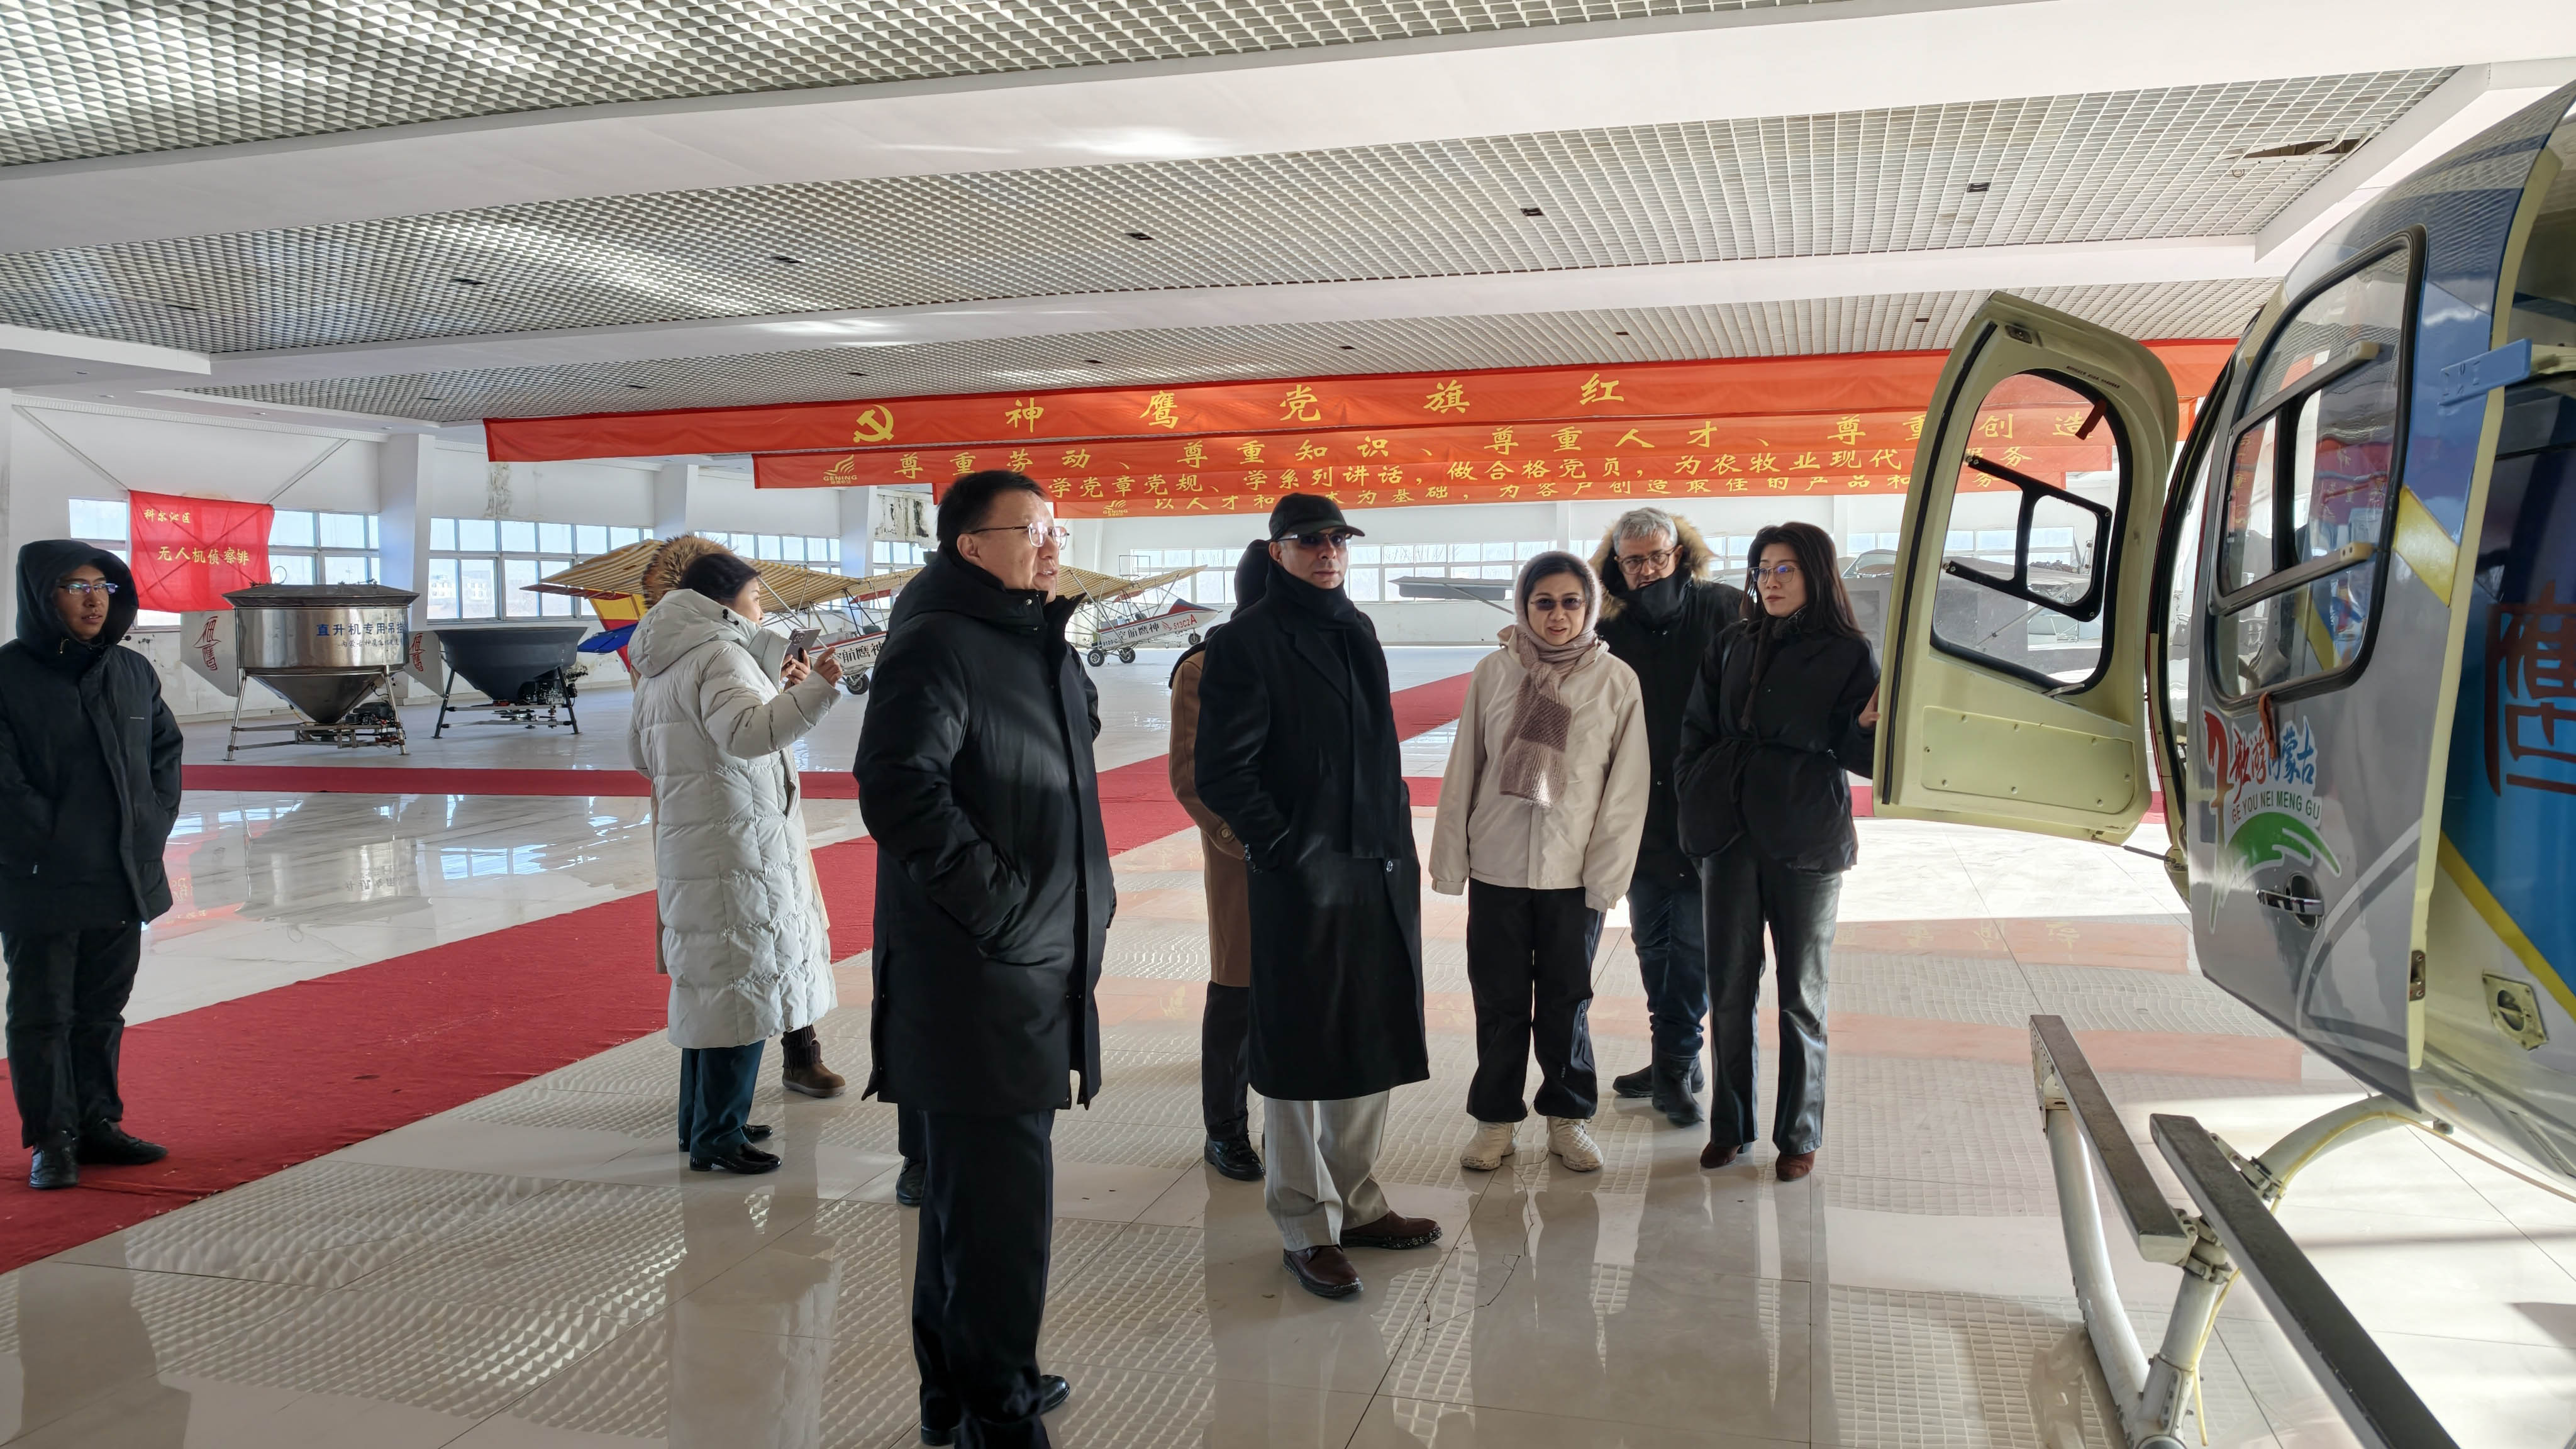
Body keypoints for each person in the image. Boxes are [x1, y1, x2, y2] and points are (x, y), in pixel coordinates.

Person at [856, 470, 1108, 1448]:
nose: (1052, 545)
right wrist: (1001, 909)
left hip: (1033, 962)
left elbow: (1061, 757)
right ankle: (998, 1417)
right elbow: (899, 787)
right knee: (1000, 1220)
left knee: (971, 1210)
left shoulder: (1031, 636)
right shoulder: (939, 641)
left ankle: (954, 1400)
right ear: (970, 546)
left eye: (1056, 529)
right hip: (978, 975)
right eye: (1031, 530)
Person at [1194, 494, 1440, 1302]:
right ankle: (1303, 1222)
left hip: (1375, 866)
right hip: (1303, 876)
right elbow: (1222, 770)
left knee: (1367, 1033)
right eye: (1309, 541)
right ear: (1277, 552)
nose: (1327, 551)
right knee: (1299, 1049)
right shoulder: (1247, 642)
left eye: (1337, 539)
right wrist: (1283, 848)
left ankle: (1359, 1203)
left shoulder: (1356, 627)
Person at [628, 547, 845, 1176]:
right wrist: (818, 692)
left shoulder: (661, 661)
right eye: (754, 599)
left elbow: (642, 755)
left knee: (709, 988)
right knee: (742, 985)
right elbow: (747, 736)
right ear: (724, 603)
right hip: (736, 843)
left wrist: (775, 693)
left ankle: (701, 1121)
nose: (760, 612)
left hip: (693, 838)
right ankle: (718, 1137)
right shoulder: (721, 654)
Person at [1431, 552, 1649, 1175]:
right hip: (1497, 867)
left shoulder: (1615, 681)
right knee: (1499, 1001)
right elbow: (1464, 769)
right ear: (1524, 606)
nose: (1557, 615)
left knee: (1566, 1001)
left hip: (1570, 874)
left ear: (1591, 606)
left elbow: (1625, 790)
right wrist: (1451, 862)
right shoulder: (1494, 673)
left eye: (1571, 602)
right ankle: (1495, 1120)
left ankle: (1567, 1118)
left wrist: (1606, 876)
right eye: (1543, 602)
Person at [1675, 521, 1878, 1182]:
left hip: (1806, 838)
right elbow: (1696, 729)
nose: (1770, 581)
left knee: (1802, 994)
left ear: (1816, 574)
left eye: (1785, 569)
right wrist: (1696, 794)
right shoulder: (1731, 643)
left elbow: (1860, 755)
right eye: (1763, 569)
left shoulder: (1848, 652)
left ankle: (1799, 1134)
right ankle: (1730, 1126)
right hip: (1730, 835)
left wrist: (1866, 726)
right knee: (1729, 989)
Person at [0, 542, 180, 1191]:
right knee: (43, 1013)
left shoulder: (131, 671)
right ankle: (52, 1139)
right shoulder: (9, 675)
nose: (94, 599)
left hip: (120, 872)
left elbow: (164, 751)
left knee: (103, 1008)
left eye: (102, 586)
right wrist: (50, 835)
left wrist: (152, 820)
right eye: (76, 586)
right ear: (41, 595)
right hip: (41, 877)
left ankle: (98, 1123)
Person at [1588, 507, 1745, 1129]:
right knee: (1652, 939)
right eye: (1634, 560)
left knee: (1688, 944)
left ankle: (1677, 1065)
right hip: (1636, 812)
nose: (1648, 570)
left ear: (1680, 554)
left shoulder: (1724, 608)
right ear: (1617, 564)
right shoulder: (1607, 625)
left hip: (1706, 809)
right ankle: (1672, 1057)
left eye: (1658, 556)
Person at [1167, 541, 1272, 1183]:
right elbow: (1191, 776)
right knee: (1237, 993)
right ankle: (1225, 1128)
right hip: (1246, 860)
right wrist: (1252, 842)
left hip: (1315, 860)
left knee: (1297, 996)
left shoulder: (1313, 653)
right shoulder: (1204, 667)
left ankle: (1288, 1119)